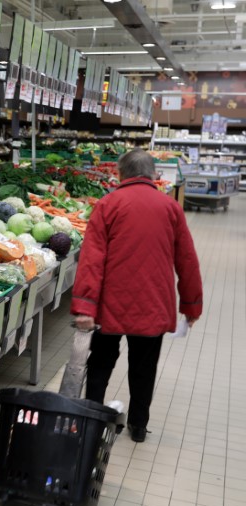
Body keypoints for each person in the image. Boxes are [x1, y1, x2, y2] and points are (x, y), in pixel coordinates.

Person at [70, 148, 203, 443]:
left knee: (101, 363)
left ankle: (92, 418)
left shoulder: (107, 205)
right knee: (144, 367)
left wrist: (84, 306)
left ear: (121, 173)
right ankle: (139, 426)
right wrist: (191, 305)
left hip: (109, 305)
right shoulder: (170, 208)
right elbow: (187, 260)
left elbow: (92, 260)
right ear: (154, 174)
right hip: (154, 304)